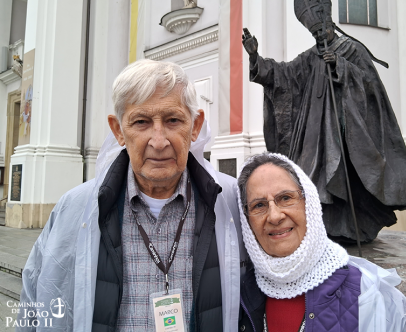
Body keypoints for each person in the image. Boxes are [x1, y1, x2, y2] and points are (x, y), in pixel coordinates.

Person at [18, 60, 246, 331]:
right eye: (141, 122)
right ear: (118, 131)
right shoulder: (75, 208)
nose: (158, 141)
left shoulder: (232, 201)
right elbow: (35, 301)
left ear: (195, 126)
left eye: (173, 120)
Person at [242, 0, 406, 243]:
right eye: (313, 32)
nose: (318, 35)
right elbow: (284, 75)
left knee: (348, 178)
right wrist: (256, 58)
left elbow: (371, 86)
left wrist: (340, 66)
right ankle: (324, 227)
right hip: (314, 137)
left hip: (348, 136)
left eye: (320, 29)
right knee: (311, 178)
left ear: (329, 22)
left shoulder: (352, 50)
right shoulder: (310, 57)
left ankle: (355, 226)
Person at [237, 152, 406, 332]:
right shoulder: (239, 293)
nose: (275, 216)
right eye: (259, 205)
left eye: (286, 198)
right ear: (247, 220)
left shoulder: (369, 293)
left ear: (308, 203)